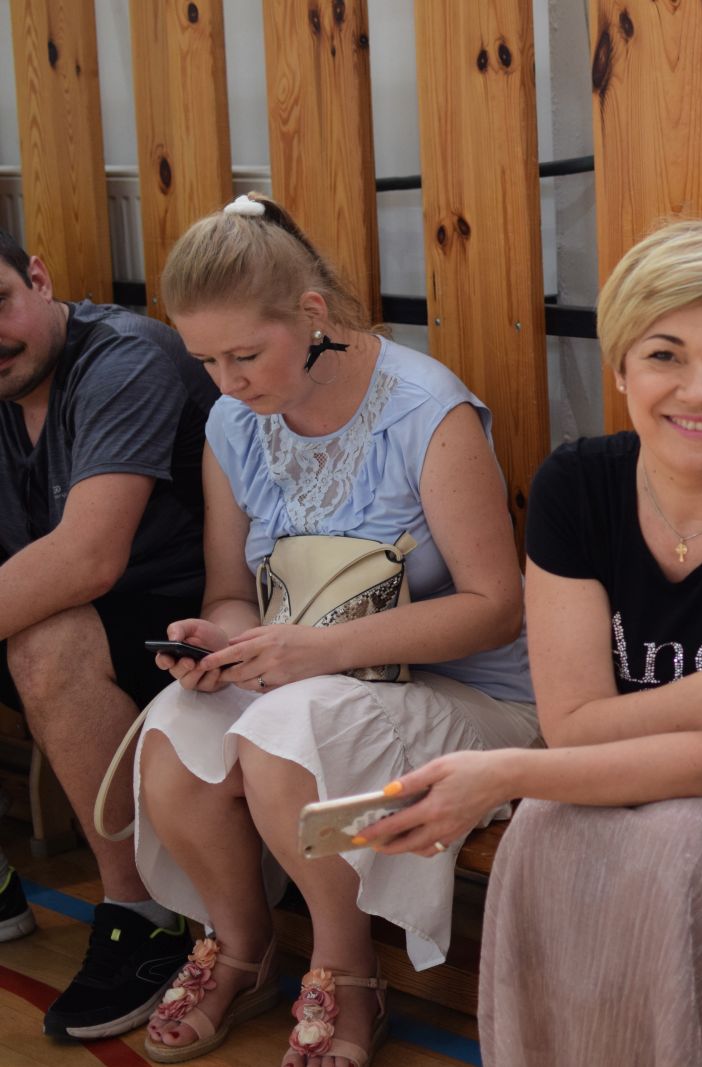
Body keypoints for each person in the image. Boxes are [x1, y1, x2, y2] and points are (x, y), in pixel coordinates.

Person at [359, 219, 702, 1066]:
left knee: (676, 845)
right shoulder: (575, 487)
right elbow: (573, 724)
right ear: (621, 363)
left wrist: (505, 773)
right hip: (659, 775)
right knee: (543, 830)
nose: (700, 391)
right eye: (665, 354)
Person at [132, 193, 538, 1067]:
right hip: (313, 679)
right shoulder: (233, 422)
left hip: (470, 693)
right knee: (174, 727)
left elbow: (494, 606)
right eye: (206, 360)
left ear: (312, 314)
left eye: (246, 354)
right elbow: (232, 591)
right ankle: (241, 948)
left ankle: (346, 971)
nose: (228, 382)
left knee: (289, 729)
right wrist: (224, 642)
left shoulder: (425, 410)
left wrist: (311, 652)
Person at [0, 226, 216, 1038]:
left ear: (40, 277)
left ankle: (144, 912)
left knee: (44, 638)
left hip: (190, 627)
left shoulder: (124, 359)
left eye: (0, 302)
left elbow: (87, 558)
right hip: (74, 610)